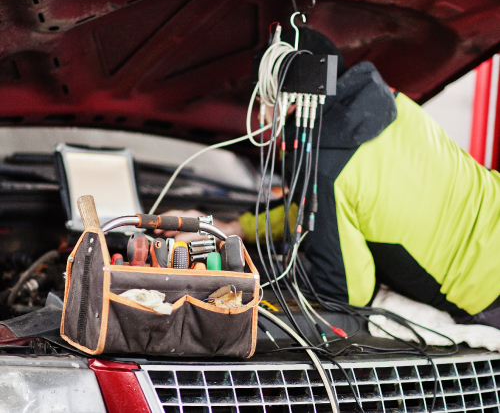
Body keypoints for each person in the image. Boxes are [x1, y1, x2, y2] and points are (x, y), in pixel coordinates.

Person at [162, 28, 500, 329]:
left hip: (486, 294)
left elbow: (349, 292)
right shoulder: (396, 106)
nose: (259, 112)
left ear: (288, 102)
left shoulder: (326, 169)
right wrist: (235, 228)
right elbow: (318, 206)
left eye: (263, 98)